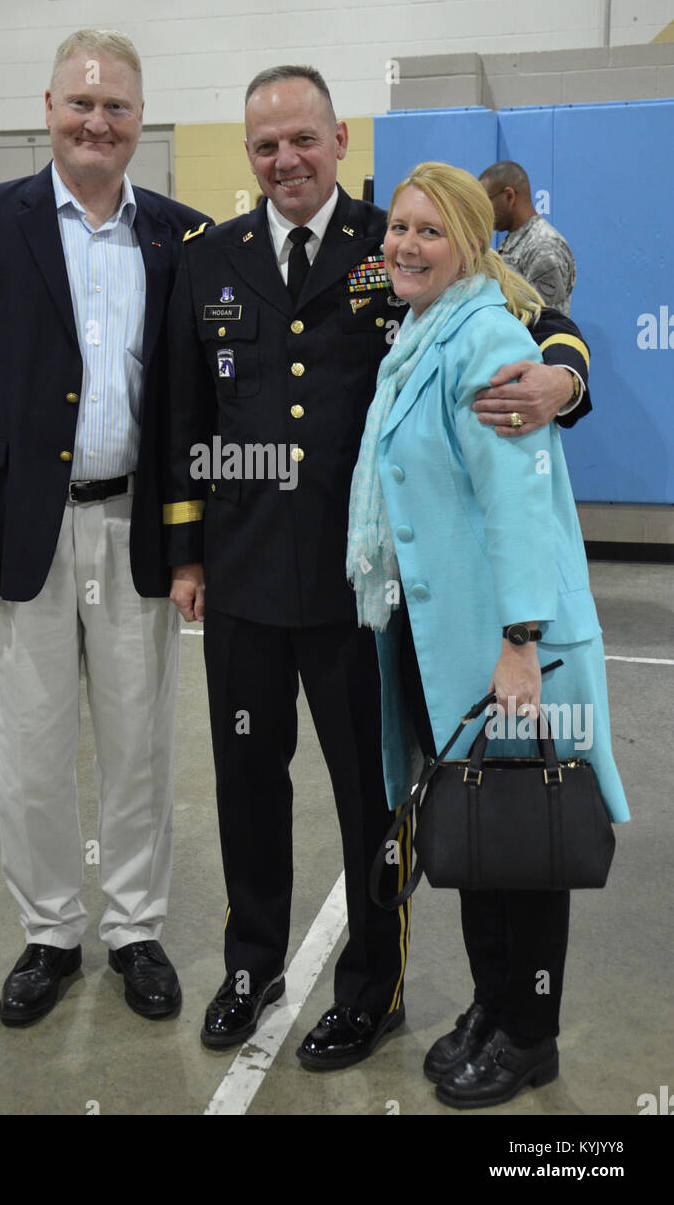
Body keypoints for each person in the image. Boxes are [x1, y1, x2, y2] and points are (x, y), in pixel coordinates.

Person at [164, 65, 594, 1070]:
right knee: (243, 781)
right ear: (248, 153)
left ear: (339, 137)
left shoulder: (396, 242)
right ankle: (251, 961)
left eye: (302, 139)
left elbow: (527, 317)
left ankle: (370, 984)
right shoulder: (208, 257)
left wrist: (564, 376)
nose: (285, 160)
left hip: (363, 593)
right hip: (240, 577)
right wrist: (186, 554)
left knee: (372, 794)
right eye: (265, 144)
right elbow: (186, 417)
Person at [0, 29, 211, 1028]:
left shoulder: (181, 235)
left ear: (140, 121)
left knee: (139, 746)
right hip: (20, 534)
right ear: (47, 107)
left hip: (137, 526)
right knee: (33, 744)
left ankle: (134, 927)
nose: (97, 122)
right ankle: (49, 929)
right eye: (81, 104)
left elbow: (188, 409)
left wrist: (190, 539)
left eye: (117, 108)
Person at [348, 161, 629, 1108]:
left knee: (524, 844)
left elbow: (518, 505)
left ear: (470, 242)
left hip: (506, 650)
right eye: (398, 227)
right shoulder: (424, 329)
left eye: (430, 231)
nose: (405, 246)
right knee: (472, 836)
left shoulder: (487, 338)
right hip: (448, 648)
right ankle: (489, 1004)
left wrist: (518, 641)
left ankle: (530, 1034)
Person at [479, 160, 577, 315]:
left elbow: (545, 321)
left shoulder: (544, 246)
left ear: (509, 196)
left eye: (486, 202)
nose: (483, 212)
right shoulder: (513, 239)